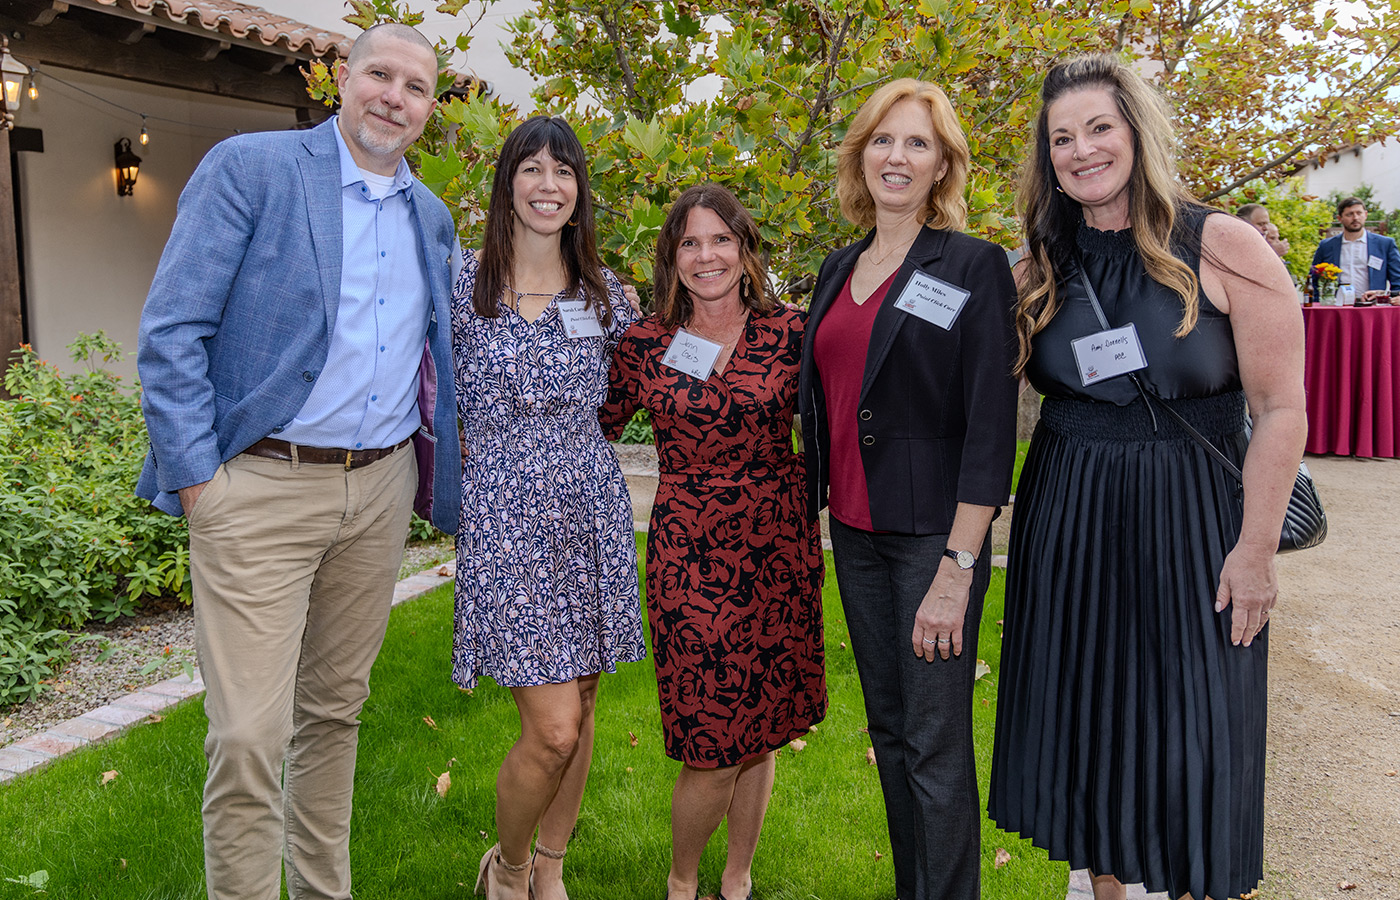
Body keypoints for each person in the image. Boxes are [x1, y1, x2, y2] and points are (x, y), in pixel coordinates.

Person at [135, 23, 460, 900]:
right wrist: (201, 481)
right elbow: (171, 334)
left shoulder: (432, 219)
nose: (394, 96)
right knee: (247, 733)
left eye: (416, 87)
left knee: (333, 714)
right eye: (380, 75)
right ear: (342, 81)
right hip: (258, 487)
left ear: (431, 109)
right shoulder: (253, 168)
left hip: (380, 485)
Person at [987, 54, 1307, 900]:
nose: (1082, 150)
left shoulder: (1222, 245)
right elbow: (968, 403)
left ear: (1136, 131)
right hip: (1070, 521)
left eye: (1099, 128)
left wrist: (1256, 551)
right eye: (1062, 138)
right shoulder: (1037, 268)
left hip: (1197, 524)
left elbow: (1281, 409)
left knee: (1192, 733)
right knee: (1088, 724)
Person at [797, 79, 1019, 900]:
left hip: (936, 542)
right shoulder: (837, 267)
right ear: (862, 154)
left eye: (918, 143)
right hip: (855, 533)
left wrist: (957, 570)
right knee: (890, 734)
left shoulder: (971, 264)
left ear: (942, 165)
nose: (898, 156)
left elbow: (991, 428)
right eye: (883, 140)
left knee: (933, 741)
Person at [600, 183, 827, 900]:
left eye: (720, 240)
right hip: (688, 552)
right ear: (672, 257)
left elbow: (843, 423)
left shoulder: (792, 332)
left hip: (777, 549)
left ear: (744, 247)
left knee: (759, 729)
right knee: (711, 739)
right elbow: (592, 425)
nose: (707, 256)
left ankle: (736, 880)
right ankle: (680, 882)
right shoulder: (643, 342)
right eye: (691, 243)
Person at [450, 115, 644, 900]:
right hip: (504, 516)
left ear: (579, 192)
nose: (548, 185)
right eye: (532, 169)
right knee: (553, 725)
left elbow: (645, 390)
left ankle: (552, 870)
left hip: (587, 509)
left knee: (586, 697)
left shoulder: (608, 295)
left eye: (564, 172)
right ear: (508, 183)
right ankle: (510, 867)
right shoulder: (460, 285)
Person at [1311, 196, 1400, 301]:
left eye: (1359, 213)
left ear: (1365, 215)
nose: (1355, 218)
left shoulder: (1385, 244)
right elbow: (1314, 278)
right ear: (1339, 218)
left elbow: (1397, 280)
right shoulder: (1326, 246)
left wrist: (1390, 298)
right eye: (1349, 214)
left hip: (1372, 307)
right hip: (1337, 307)